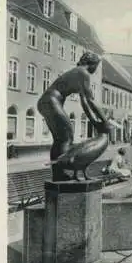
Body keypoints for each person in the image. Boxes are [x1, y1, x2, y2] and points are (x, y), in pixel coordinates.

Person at [37, 52, 105, 181]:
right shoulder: (83, 73)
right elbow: (91, 101)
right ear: (92, 64)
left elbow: (84, 102)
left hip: (45, 102)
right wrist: (104, 120)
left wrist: (94, 121)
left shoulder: (78, 72)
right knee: (66, 136)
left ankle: (58, 173)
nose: (96, 70)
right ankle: (59, 173)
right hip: (51, 101)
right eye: (97, 66)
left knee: (60, 139)